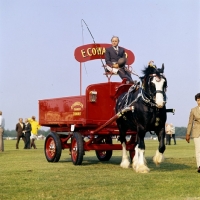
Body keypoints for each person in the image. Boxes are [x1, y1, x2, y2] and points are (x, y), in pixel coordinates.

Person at [186, 93, 200, 173]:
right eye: (198, 100)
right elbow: (190, 123)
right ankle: (199, 166)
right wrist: (188, 134)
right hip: (196, 132)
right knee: (198, 150)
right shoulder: (193, 110)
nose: (199, 102)